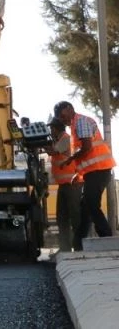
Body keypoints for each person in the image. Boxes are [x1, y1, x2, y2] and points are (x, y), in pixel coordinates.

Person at [54, 101, 115, 250]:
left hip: (99, 170)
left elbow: (87, 147)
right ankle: (79, 244)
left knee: (91, 205)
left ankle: (107, 238)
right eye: (60, 118)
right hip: (94, 172)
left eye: (62, 115)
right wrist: (78, 174)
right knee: (86, 208)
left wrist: (70, 159)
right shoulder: (75, 125)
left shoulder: (80, 122)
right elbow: (85, 158)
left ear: (69, 109)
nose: (62, 120)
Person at [47, 118, 82, 252]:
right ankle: (65, 249)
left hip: (72, 184)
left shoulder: (66, 139)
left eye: (51, 128)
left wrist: (41, 143)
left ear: (56, 128)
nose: (50, 131)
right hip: (64, 185)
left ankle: (79, 247)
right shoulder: (59, 140)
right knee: (62, 218)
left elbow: (53, 152)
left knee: (75, 217)